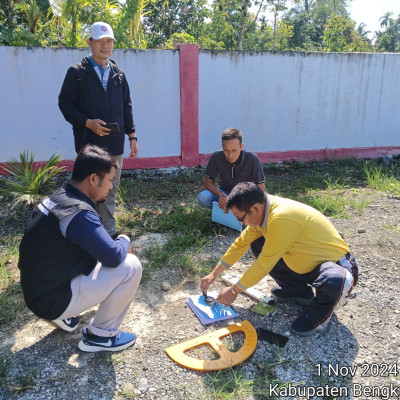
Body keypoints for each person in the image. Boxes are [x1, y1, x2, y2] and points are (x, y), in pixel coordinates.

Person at [18, 145, 142, 352]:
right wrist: (124, 239)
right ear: (93, 179)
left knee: (103, 252)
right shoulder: (78, 214)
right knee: (131, 265)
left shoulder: (60, 197)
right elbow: (113, 257)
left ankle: (62, 315)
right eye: (110, 180)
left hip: (37, 291)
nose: (111, 186)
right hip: (50, 300)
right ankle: (101, 336)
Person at [200, 182, 358, 336]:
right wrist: (215, 273)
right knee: (257, 242)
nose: (241, 223)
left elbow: (264, 264)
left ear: (255, 208)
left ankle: (317, 317)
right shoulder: (263, 213)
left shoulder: (281, 218)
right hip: (307, 265)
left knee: (334, 282)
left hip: (336, 266)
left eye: (240, 218)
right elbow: (241, 244)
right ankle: (298, 291)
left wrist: (234, 290)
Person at [58, 21, 138, 236]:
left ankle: (108, 235)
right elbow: (65, 104)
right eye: (100, 41)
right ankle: (87, 234)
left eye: (109, 41)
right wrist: (87, 122)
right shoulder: (77, 73)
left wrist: (132, 135)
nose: (105, 46)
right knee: (88, 190)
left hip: (115, 144)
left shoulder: (118, 74)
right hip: (89, 146)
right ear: (90, 43)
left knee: (109, 190)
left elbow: (126, 106)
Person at [198, 128, 265, 253]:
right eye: (226, 150)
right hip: (224, 192)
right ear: (222, 146)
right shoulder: (216, 156)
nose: (230, 155)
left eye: (234, 150)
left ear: (241, 146)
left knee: (259, 204)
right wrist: (219, 195)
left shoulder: (252, 158)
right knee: (203, 197)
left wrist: (236, 200)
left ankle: (234, 210)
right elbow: (207, 182)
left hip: (245, 197)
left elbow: (261, 189)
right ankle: (228, 212)